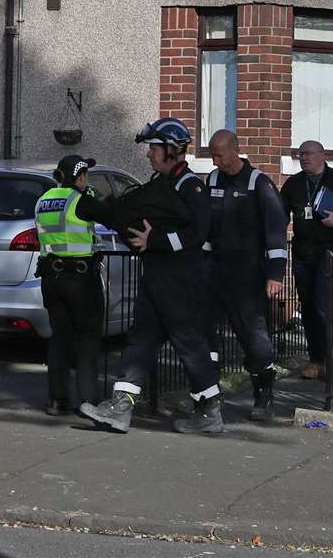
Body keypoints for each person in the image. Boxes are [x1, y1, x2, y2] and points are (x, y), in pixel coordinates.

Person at [79, 118, 227, 437]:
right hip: (158, 276)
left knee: (188, 343)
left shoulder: (191, 186)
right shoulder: (163, 185)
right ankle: (121, 406)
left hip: (180, 279)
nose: (149, 155)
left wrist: (155, 241)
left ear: (172, 151)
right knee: (141, 339)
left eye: (154, 149)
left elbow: (199, 232)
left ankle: (209, 411)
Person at [202, 129, 288, 422]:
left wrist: (275, 275)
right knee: (206, 335)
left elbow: (276, 232)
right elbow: (205, 227)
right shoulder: (211, 180)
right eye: (212, 155)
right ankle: (208, 397)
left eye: (220, 155)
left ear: (235, 150)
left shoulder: (258, 183)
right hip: (215, 270)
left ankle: (263, 394)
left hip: (248, 271)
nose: (215, 162)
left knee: (253, 335)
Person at [279, 140, 333, 381]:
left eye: (307, 154)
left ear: (321, 155)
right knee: (307, 307)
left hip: (328, 251)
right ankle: (316, 360)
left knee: (322, 305)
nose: (303, 158)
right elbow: (281, 213)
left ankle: (330, 360)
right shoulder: (294, 184)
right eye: (299, 154)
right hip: (302, 252)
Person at [34, 154, 108, 415]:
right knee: (88, 339)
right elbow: (111, 216)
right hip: (79, 279)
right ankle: (88, 401)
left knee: (59, 339)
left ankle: (57, 401)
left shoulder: (43, 200)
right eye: (85, 174)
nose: (87, 178)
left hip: (50, 279)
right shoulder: (80, 201)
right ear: (79, 176)